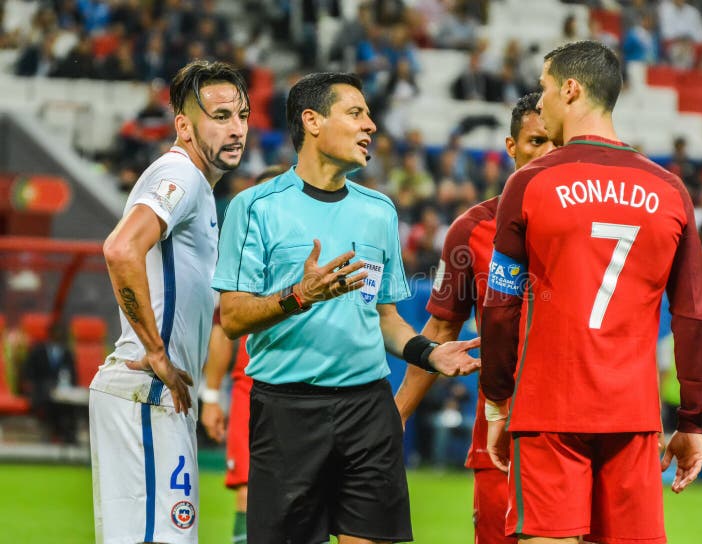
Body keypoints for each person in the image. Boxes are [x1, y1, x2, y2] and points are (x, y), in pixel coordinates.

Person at [212, 71, 481, 544]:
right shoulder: (254, 207)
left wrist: (426, 353)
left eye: (369, 115)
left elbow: (384, 318)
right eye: (356, 113)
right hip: (287, 411)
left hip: (367, 407)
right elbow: (233, 318)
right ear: (312, 122)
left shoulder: (378, 210)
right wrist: (300, 296)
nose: (370, 126)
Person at [481, 41, 702, 544]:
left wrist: (497, 402)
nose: (538, 104)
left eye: (543, 89)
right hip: (632, 415)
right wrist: (692, 419)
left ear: (570, 88)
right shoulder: (670, 189)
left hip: (548, 411)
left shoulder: (529, 182)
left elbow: (500, 306)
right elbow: (692, 314)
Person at [89, 59, 249, 544]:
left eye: (241, 115)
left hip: (156, 397)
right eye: (220, 117)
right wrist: (156, 352)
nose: (236, 128)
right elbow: (120, 249)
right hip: (148, 391)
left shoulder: (198, 188)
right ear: (184, 125)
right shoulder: (179, 174)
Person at [395, 91, 554, 544]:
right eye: (535, 142)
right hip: (499, 421)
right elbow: (442, 328)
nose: (545, 155)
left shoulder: (594, 229)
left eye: (555, 144)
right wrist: (398, 413)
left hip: (577, 422)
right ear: (511, 148)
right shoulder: (473, 230)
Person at [200, 166, 283, 544]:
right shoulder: (240, 257)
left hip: (309, 389)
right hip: (252, 389)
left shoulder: (310, 252)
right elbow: (222, 329)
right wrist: (212, 397)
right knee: (248, 490)